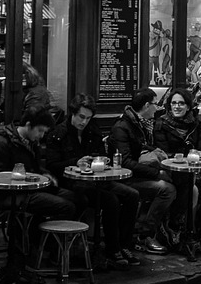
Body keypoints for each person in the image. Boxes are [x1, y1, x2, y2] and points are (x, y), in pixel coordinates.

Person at [42, 94, 142, 271]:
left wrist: (99, 160)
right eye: (81, 117)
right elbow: (52, 165)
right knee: (110, 200)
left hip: (96, 179)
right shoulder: (58, 133)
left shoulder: (92, 131)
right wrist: (75, 162)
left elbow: (99, 153)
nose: (84, 122)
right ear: (73, 113)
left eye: (88, 118)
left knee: (132, 195)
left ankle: (124, 245)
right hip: (72, 182)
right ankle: (112, 249)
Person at [0, 108, 80, 284]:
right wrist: (32, 177)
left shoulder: (31, 141)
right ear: (28, 125)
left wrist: (45, 174)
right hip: (9, 194)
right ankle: (36, 249)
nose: (41, 136)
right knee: (65, 207)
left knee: (77, 198)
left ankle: (45, 249)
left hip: (31, 189)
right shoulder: (2, 141)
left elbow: (36, 168)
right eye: (40, 131)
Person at [153, 87, 201, 255]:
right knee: (193, 190)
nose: (177, 107)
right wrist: (185, 158)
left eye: (181, 103)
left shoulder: (196, 124)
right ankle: (186, 234)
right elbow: (163, 154)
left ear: (188, 106)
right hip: (173, 172)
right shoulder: (161, 124)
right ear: (169, 106)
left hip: (196, 170)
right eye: (173, 103)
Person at [108, 88, 175, 254]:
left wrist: (155, 152)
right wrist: (155, 173)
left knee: (177, 182)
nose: (156, 108)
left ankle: (168, 229)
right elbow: (125, 162)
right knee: (167, 189)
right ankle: (145, 234)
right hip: (125, 179)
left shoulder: (140, 124)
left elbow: (140, 147)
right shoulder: (123, 127)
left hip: (137, 175)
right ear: (146, 105)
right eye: (154, 104)